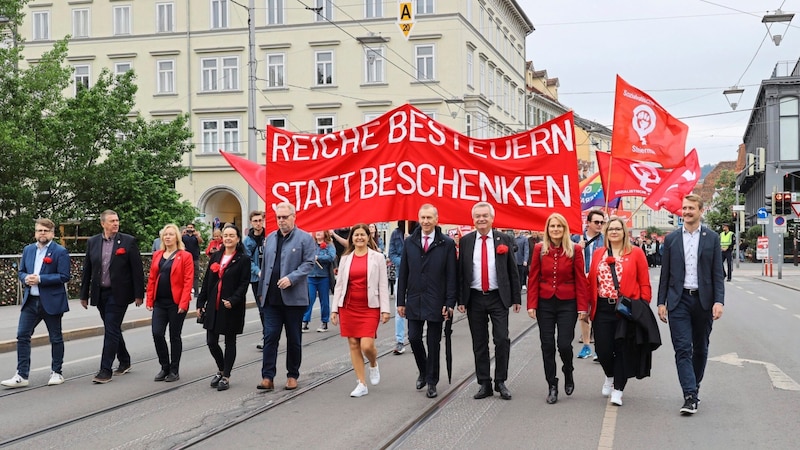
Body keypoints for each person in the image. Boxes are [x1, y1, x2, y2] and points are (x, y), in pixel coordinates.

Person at [658, 194, 725, 415]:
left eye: (691, 208)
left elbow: (717, 273)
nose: (686, 212)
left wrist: (718, 301)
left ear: (700, 211)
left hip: (703, 300)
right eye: (684, 208)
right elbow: (665, 273)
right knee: (682, 349)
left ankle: (694, 386)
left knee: (701, 348)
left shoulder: (712, 238)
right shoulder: (672, 239)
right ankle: (689, 395)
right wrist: (661, 302)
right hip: (679, 300)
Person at [457, 202, 521, 401]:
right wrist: (461, 298)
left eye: (485, 215)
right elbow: (461, 272)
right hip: (474, 297)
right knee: (479, 343)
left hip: (498, 297)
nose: (481, 219)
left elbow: (513, 270)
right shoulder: (466, 241)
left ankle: (500, 381)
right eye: (478, 216)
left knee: (502, 339)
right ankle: (484, 383)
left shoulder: (504, 239)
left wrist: (516, 297)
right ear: (473, 219)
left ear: (492, 218)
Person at [588, 217, 652, 406]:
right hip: (602, 307)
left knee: (622, 349)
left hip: (626, 309)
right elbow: (591, 281)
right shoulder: (599, 253)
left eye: (618, 229)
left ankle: (618, 389)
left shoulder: (636, 253)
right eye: (610, 229)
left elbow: (644, 282)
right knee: (603, 349)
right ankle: (610, 375)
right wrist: (585, 307)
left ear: (624, 232)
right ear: (606, 233)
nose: (614, 232)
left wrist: (643, 306)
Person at [397, 204, 458, 399]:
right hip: (414, 298)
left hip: (436, 300)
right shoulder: (410, 242)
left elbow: (451, 275)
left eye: (429, 218)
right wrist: (400, 301)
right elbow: (403, 272)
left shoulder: (446, 243)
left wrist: (449, 303)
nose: (425, 221)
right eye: (422, 217)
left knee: (434, 342)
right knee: (414, 338)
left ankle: (432, 381)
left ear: (436, 219)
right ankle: (423, 370)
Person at [527, 213, 589, 404]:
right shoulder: (539, 249)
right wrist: (532, 304)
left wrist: (582, 307)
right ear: (547, 229)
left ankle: (568, 370)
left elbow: (581, 279)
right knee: (547, 345)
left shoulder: (575, 250)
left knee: (563, 344)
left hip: (567, 303)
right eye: (552, 226)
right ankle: (552, 385)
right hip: (545, 302)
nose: (555, 229)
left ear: (564, 229)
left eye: (559, 226)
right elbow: (533, 278)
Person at [2, 219, 71, 388]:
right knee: (22, 335)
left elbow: (64, 276)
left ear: (52, 234)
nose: (42, 233)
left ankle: (57, 372)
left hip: (51, 301)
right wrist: (25, 277)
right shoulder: (28, 250)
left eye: (46, 231)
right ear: (35, 232)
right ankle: (22, 375)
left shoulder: (60, 251)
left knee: (55, 337)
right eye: (39, 230)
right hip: (31, 301)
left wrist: (40, 279)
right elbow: (21, 271)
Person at [80, 210, 145, 384]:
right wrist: (83, 295)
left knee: (110, 329)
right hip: (100, 293)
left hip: (120, 294)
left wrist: (139, 294)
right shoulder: (93, 242)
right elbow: (87, 269)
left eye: (117, 220)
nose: (116, 223)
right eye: (112, 221)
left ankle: (105, 369)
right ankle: (124, 360)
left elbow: (137, 270)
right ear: (103, 224)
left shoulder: (127, 241)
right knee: (113, 328)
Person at [256, 202, 315, 392]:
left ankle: (292, 375)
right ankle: (267, 376)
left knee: (293, 338)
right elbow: (265, 267)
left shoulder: (305, 238)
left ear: (293, 217)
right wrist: (260, 293)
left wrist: (292, 278)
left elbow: (309, 264)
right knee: (270, 337)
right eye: (278, 217)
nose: (281, 221)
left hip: (293, 299)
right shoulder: (271, 238)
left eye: (284, 217)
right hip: (272, 299)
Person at [331, 224, 391, 397]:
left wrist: (385, 310)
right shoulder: (345, 258)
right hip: (348, 306)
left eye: (362, 235)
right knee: (353, 344)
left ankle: (373, 363)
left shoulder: (377, 257)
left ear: (368, 237)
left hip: (369, 306)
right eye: (356, 235)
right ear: (352, 238)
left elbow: (382, 284)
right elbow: (340, 285)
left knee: (367, 345)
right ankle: (361, 383)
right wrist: (335, 309)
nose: (359, 238)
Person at [197, 224, 251, 391]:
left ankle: (226, 375)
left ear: (237, 239)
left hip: (230, 306)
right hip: (214, 304)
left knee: (230, 341)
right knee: (211, 341)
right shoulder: (216, 256)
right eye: (225, 235)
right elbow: (206, 281)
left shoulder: (243, 259)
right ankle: (221, 368)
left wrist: (233, 300)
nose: (228, 238)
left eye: (231, 235)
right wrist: (200, 302)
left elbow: (244, 283)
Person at [146, 224, 193, 382]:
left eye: (171, 234)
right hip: (160, 302)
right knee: (157, 333)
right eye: (165, 234)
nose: (167, 237)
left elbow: (188, 281)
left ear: (177, 237)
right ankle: (164, 366)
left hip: (176, 302)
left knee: (174, 336)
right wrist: (149, 299)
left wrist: (183, 302)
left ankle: (174, 369)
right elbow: (152, 278)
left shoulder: (185, 256)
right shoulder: (158, 255)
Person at [572, 209, 605, 360]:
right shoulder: (575, 238)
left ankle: (599, 347)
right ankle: (586, 346)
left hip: (599, 280)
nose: (599, 225)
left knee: (597, 315)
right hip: (581, 280)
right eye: (596, 222)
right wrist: (576, 248)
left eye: (602, 222)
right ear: (588, 223)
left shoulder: (605, 240)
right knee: (583, 314)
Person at [303, 231, 336, 332]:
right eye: (316, 231)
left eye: (320, 231)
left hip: (324, 277)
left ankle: (324, 322)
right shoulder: (310, 244)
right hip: (311, 276)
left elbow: (331, 257)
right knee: (309, 299)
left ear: (325, 233)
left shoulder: (329, 245)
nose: (317, 233)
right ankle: (305, 321)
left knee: (324, 300)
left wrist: (319, 258)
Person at [243, 211, 267, 349]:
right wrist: (258, 271)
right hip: (256, 278)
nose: (258, 223)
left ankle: (271, 333)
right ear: (251, 222)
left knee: (272, 306)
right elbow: (248, 260)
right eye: (255, 221)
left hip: (270, 277)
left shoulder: (269, 236)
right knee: (262, 307)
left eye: (260, 220)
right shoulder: (248, 241)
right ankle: (266, 335)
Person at [388, 220, 408, 355]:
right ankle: (400, 340)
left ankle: (414, 336)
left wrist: (411, 241)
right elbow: (392, 253)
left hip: (418, 277)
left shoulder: (420, 232)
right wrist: (404, 262)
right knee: (399, 308)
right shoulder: (395, 234)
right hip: (401, 275)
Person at [182, 223, 203, 296]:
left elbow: (201, 242)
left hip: (195, 258)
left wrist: (198, 235)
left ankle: (196, 292)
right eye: (188, 227)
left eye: (191, 227)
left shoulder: (196, 236)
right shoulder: (184, 236)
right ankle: (186, 291)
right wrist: (182, 234)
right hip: (185, 259)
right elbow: (178, 242)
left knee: (196, 276)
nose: (189, 229)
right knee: (185, 275)